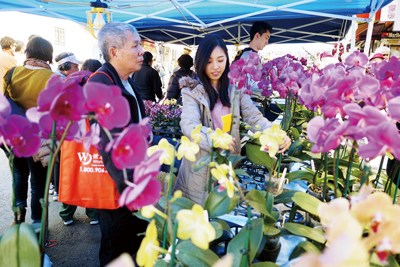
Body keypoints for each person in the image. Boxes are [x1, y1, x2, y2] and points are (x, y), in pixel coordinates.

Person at [173, 34, 291, 205]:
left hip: (226, 165)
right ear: (200, 62)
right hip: (198, 171)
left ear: (226, 60)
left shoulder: (235, 89)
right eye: (209, 61)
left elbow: (254, 116)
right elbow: (189, 125)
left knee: (219, 214)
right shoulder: (191, 92)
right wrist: (216, 139)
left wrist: (276, 133)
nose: (215, 66)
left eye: (220, 60)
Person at [87, 22, 148, 266]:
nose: (141, 50)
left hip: (130, 179)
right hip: (116, 183)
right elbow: (110, 144)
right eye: (135, 45)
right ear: (114, 51)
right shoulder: (101, 84)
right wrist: (130, 188)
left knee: (132, 243)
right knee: (115, 248)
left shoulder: (126, 81)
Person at [2, 36, 54, 225]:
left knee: (18, 174)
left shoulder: (13, 73)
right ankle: (37, 225)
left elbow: (6, 104)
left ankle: (18, 216)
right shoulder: (53, 78)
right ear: (48, 54)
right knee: (39, 183)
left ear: (28, 52)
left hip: (15, 135)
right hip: (39, 139)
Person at [53, 53, 99, 226]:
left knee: (72, 172)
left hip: (70, 135)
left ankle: (67, 214)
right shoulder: (96, 81)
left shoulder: (66, 83)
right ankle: (93, 213)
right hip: (91, 134)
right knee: (92, 170)